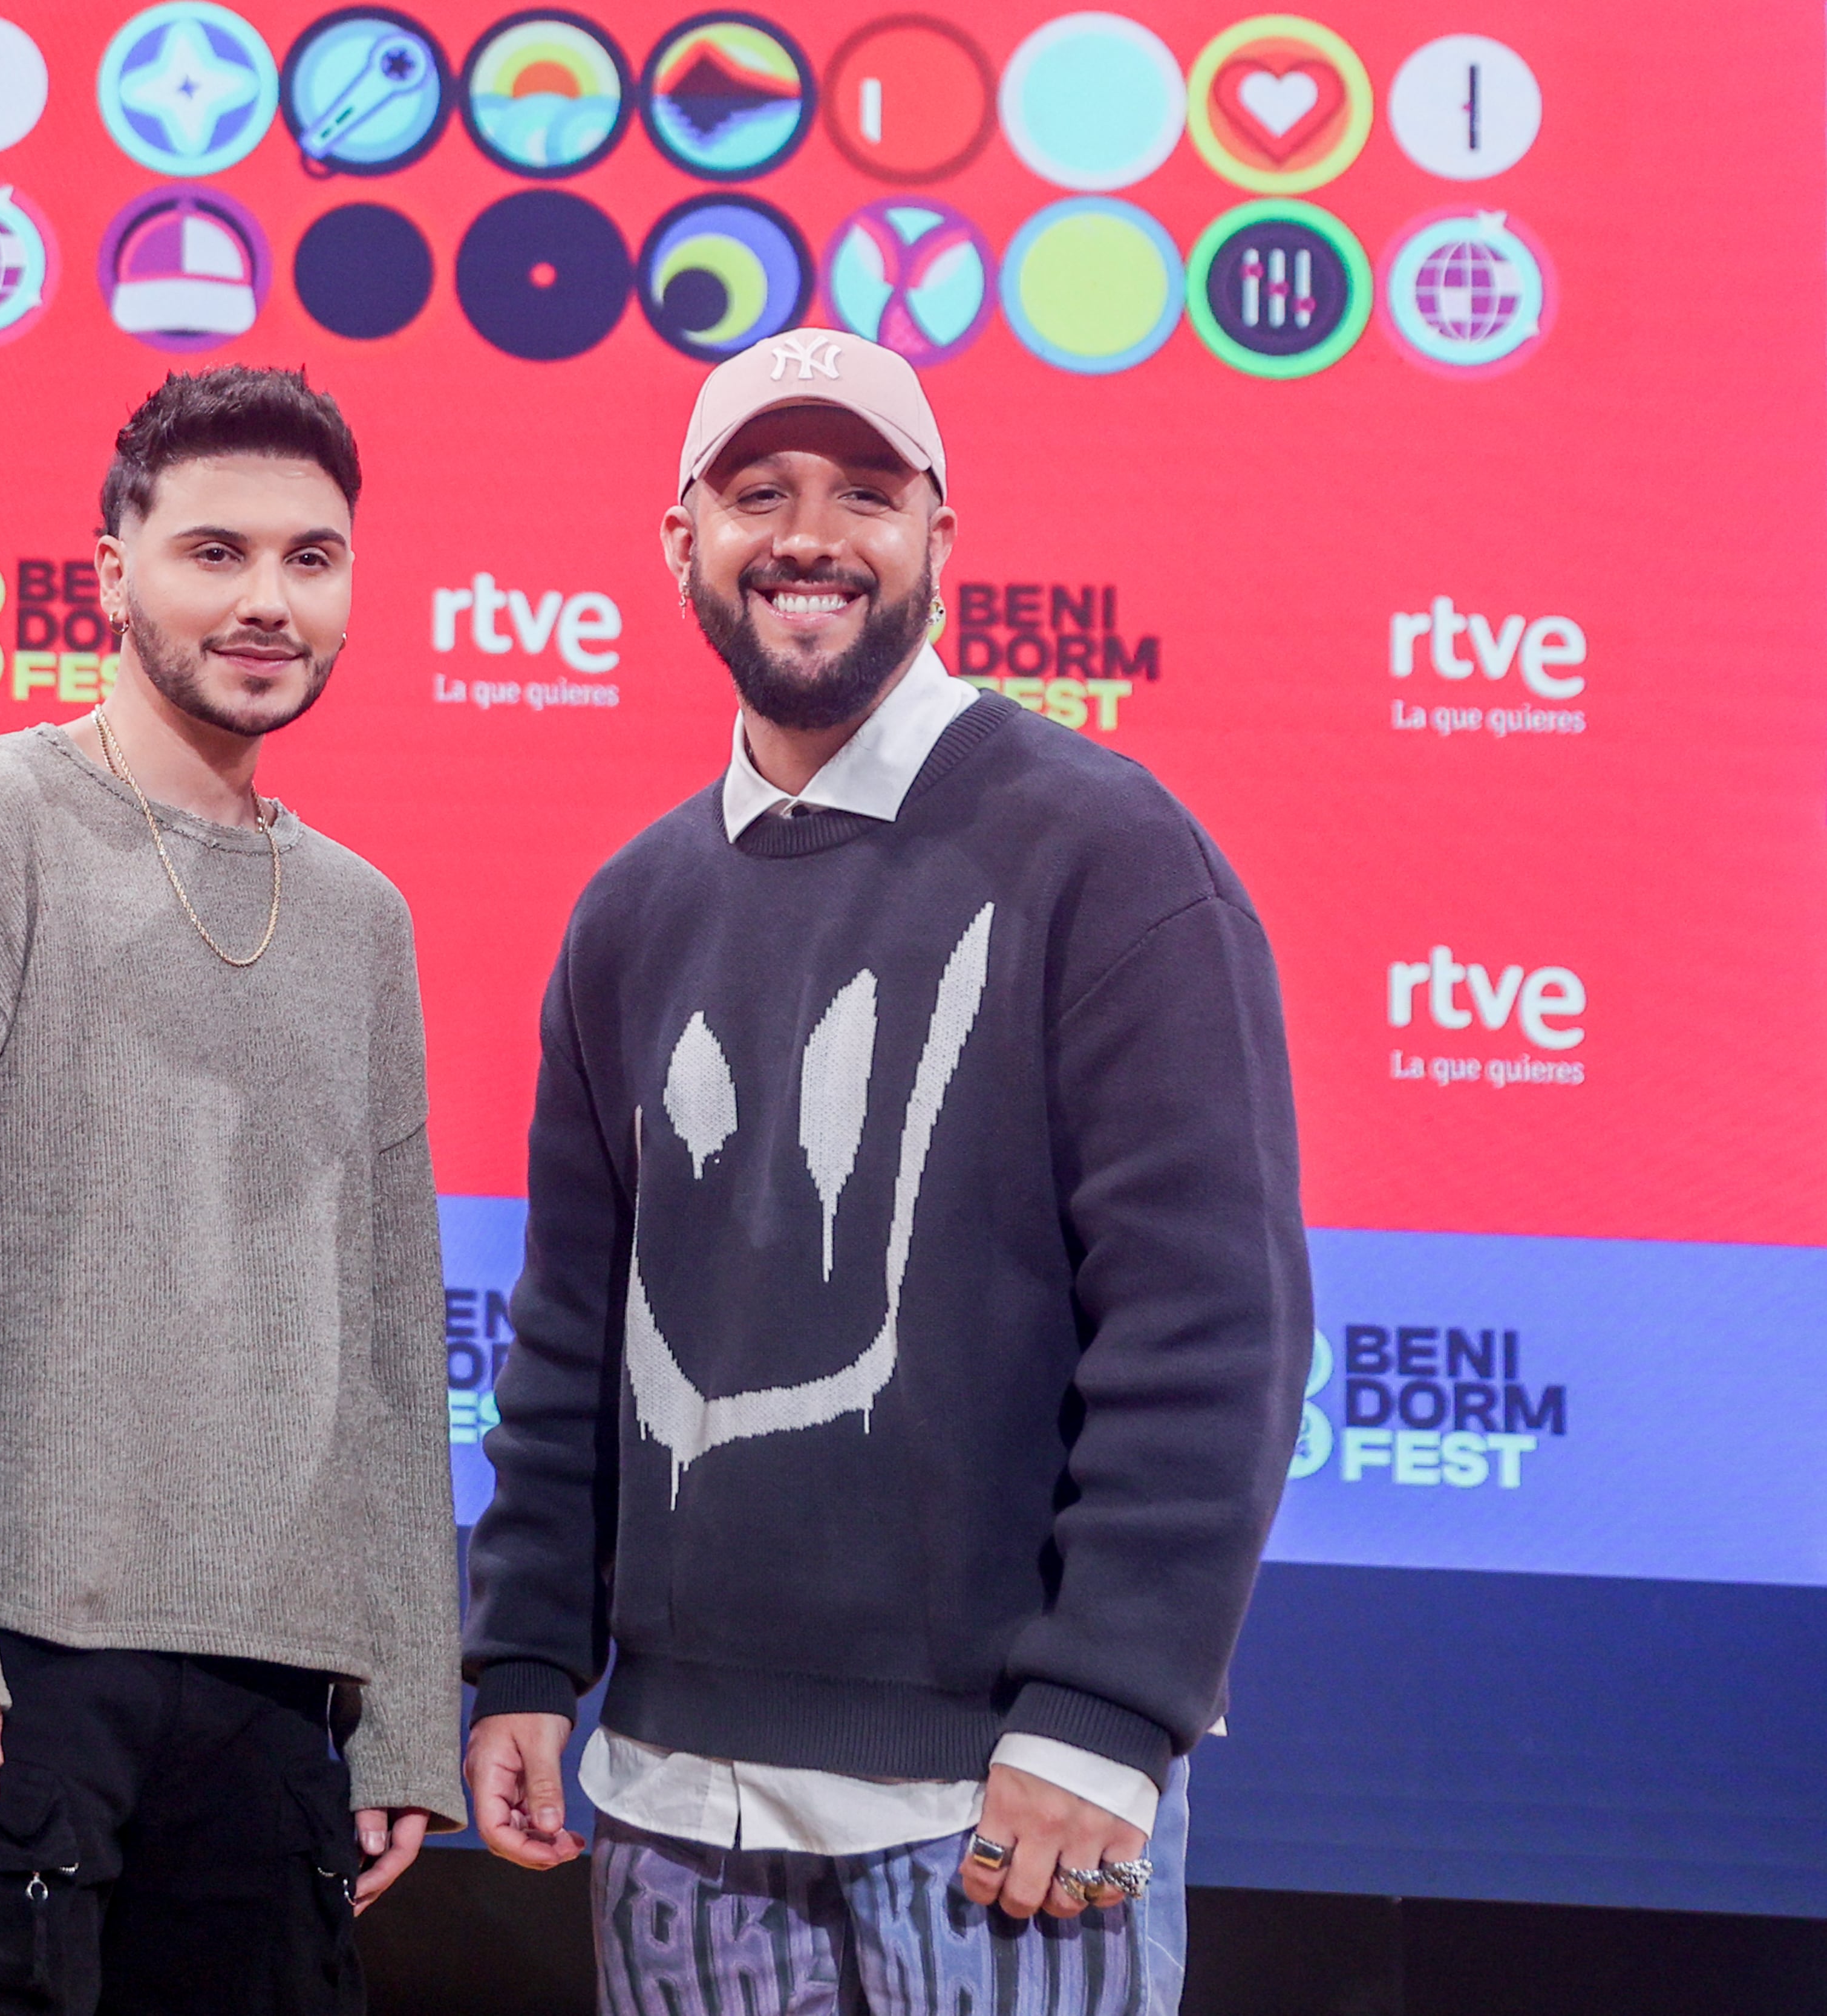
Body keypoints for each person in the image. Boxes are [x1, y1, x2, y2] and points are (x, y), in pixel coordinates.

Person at [461, 328, 1310, 2015]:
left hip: (1001, 1804)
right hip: (665, 1802)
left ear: (939, 538)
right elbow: (571, 1338)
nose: (809, 535)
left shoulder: (1108, 852)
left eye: (866, 493)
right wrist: (522, 1658)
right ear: (678, 540)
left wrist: (1106, 1713)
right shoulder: (627, 912)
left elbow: (1207, 1327)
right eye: (756, 491)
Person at [0, 365, 462, 2015]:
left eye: (311, 559)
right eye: (213, 551)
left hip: (269, 1694)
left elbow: (385, 1335)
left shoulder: (361, 915)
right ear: (111, 569)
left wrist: (410, 1713)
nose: (265, 602)